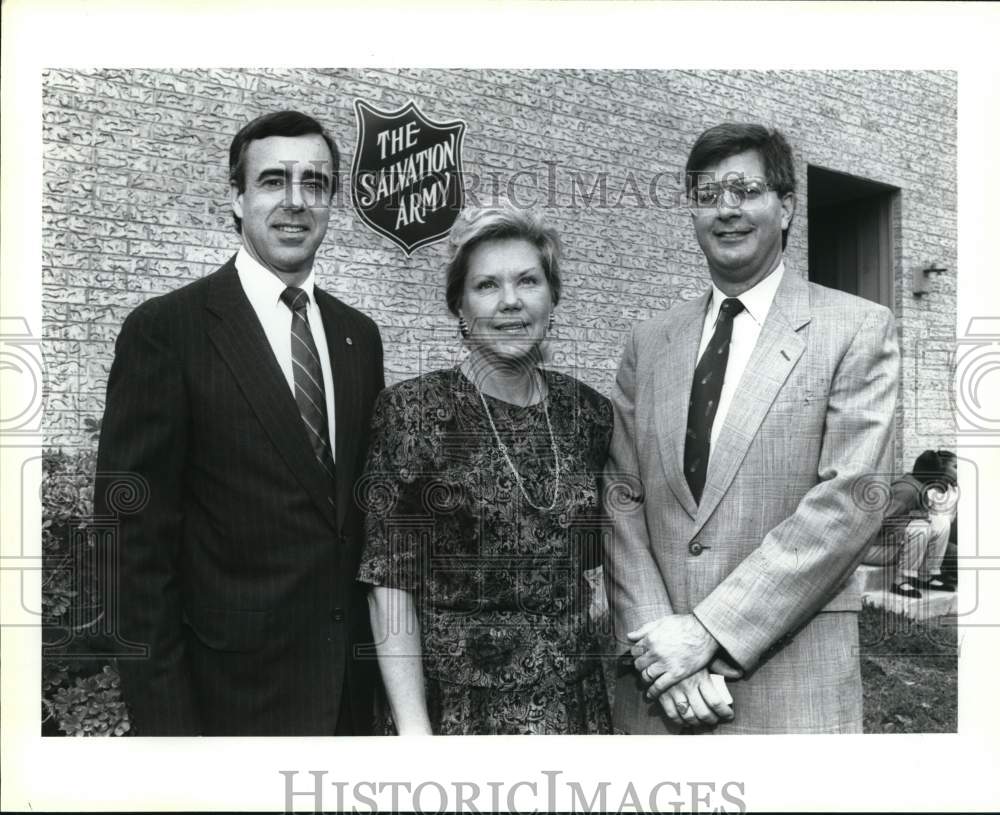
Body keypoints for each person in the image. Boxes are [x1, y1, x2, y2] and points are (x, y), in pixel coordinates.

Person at [95, 111, 385, 735]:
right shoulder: (168, 331)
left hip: (347, 704)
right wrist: (170, 732)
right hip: (224, 706)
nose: (296, 201)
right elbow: (130, 549)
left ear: (332, 201)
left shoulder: (359, 337)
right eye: (274, 180)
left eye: (316, 183)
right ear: (237, 196)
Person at [604, 123, 900, 734]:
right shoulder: (649, 342)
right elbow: (621, 497)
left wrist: (707, 632)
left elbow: (847, 504)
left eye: (746, 190)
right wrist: (665, 649)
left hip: (789, 687)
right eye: (708, 195)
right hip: (659, 688)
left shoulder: (856, 329)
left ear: (786, 206)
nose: (727, 210)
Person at [357, 206, 612, 735]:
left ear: (552, 297)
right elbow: (390, 581)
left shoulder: (587, 413)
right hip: (458, 712)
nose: (510, 301)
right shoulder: (414, 412)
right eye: (487, 285)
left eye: (528, 281)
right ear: (460, 305)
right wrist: (412, 729)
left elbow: (602, 554)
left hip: (573, 708)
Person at [863, 449, 958, 597]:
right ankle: (900, 581)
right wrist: (911, 523)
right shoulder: (906, 490)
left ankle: (925, 576)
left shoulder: (919, 488)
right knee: (921, 527)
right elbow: (880, 524)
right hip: (873, 549)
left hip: (891, 545)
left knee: (941, 522)